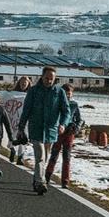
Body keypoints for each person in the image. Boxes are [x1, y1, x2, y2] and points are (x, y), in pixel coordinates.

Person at [19, 66, 68, 195]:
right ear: (42, 77)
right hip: (36, 128)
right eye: (47, 78)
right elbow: (26, 110)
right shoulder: (33, 91)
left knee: (44, 158)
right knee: (40, 156)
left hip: (51, 130)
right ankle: (41, 182)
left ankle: (36, 180)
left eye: (52, 79)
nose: (49, 81)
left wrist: (63, 124)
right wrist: (21, 127)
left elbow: (66, 111)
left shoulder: (59, 92)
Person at [51, 83, 84, 189]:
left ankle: (65, 180)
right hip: (58, 132)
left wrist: (76, 128)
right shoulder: (57, 103)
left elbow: (79, 119)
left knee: (67, 157)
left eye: (69, 93)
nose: (68, 95)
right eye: (66, 93)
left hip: (69, 133)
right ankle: (47, 175)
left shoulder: (74, 104)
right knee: (54, 155)